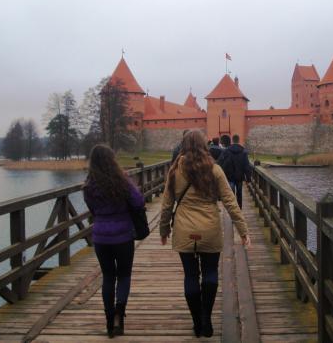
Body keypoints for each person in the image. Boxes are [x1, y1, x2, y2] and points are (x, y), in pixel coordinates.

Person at [159, 130, 250, 338]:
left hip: (184, 230)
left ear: (183, 145)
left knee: (191, 276)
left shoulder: (175, 170)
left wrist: (164, 230)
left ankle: (196, 322)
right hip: (210, 229)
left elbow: (166, 205)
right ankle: (207, 320)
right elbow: (230, 201)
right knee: (210, 274)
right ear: (204, 146)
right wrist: (243, 230)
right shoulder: (215, 169)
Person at [83, 144, 145, 338]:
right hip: (123, 235)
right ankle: (120, 312)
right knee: (124, 276)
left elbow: (92, 209)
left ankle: (109, 321)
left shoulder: (88, 186)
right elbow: (138, 202)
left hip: (101, 237)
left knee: (108, 277)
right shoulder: (122, 181)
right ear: (112, 161)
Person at [217, 134, 251, 208]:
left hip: (230, 176)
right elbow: (246, 166)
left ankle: (234, 209)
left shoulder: (226, 150)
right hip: (240, 176)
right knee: (239, 193)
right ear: (238, 140)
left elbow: (220, 163)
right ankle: (240, 209)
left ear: (232, 140)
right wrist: (248, 179)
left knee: (231, 194)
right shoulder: (243, 151)